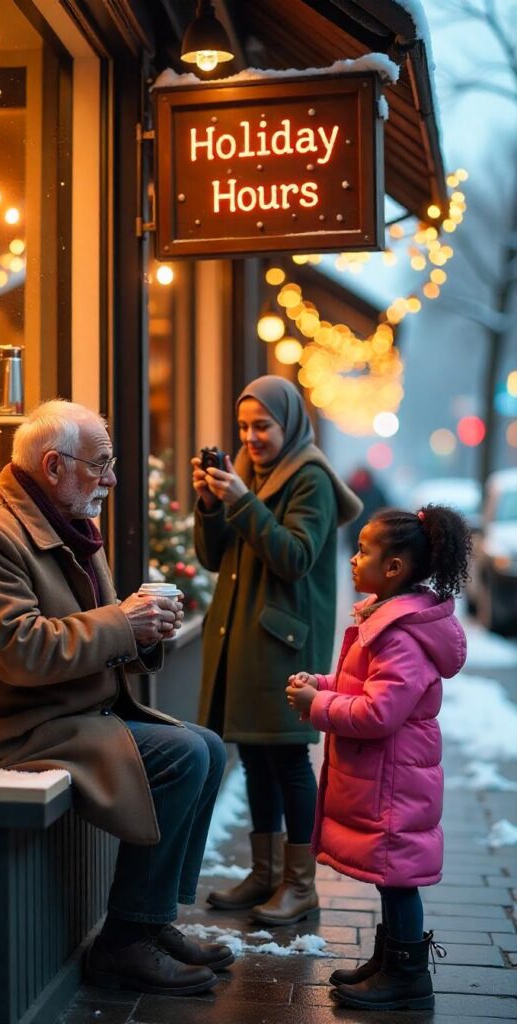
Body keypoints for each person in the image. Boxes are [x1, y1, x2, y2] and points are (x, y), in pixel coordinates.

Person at [0, 400, 232, 997]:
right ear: (53, 464)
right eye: (102, 465)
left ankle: (152, 918)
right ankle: (125, 942)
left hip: (75, 712)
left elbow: (97, 627)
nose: (112, 480)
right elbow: (19, 649)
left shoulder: (64, 517)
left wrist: (144, 630)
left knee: (211, 749)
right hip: (27, 725)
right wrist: (124, 623)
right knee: (184, 756)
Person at [192, 375, 362, 926]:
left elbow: (295, 556)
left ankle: (300, 883)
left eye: (261, 425)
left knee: (288, 756)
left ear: (288, 423)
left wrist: (241, 502)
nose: (251, 436)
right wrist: (210, 504)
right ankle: (264, 874)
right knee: (255, 755)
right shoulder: (252, 473)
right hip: (244, 636)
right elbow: (214, 558)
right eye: (243, 426)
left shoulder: (308, 477)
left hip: (284, 642)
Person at [286, 504, 471, 1011]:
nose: (354, 558)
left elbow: (378, 712)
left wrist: (318, 706)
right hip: (389, 775)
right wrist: (320, 685)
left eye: (364, 550)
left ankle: (407, 977)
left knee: (398, 881)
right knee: (392, 880)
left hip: (394, 782)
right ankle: (389, 961)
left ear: (393, 569)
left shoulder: (401, 635)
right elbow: (363, 687)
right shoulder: (387, 622)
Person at [345, 466, 389, 555]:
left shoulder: (377, 493)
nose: (358, 480)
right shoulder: (351, 490)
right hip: (354, 537)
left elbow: (385, 510)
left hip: (371, 535)